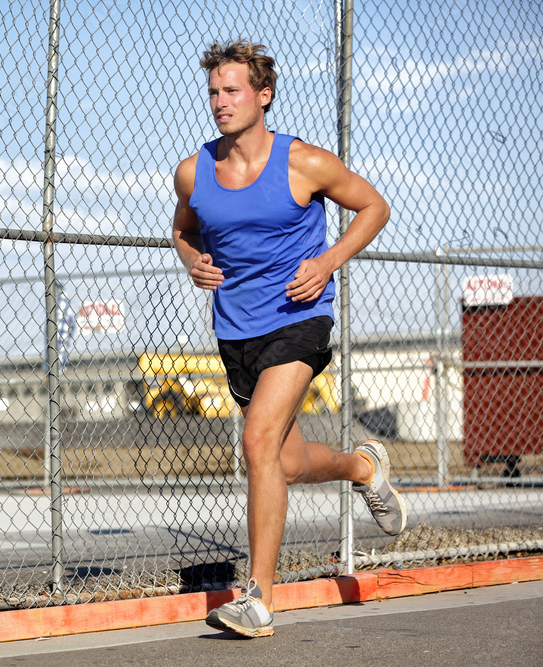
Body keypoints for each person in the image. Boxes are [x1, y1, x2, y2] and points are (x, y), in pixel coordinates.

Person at [171, 39, 406, 638]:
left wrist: (327, 262)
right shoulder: (195, 171)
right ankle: (362, 468)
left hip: (299, 317)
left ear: (263, 96)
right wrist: (193, 259)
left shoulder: (302, 161)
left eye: (232, 91)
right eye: (214, 91)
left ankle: (258, 599)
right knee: (288, 460)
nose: (220, 102)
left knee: (256, 441)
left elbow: (374, 207)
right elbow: (182, 230)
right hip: (236, 330)